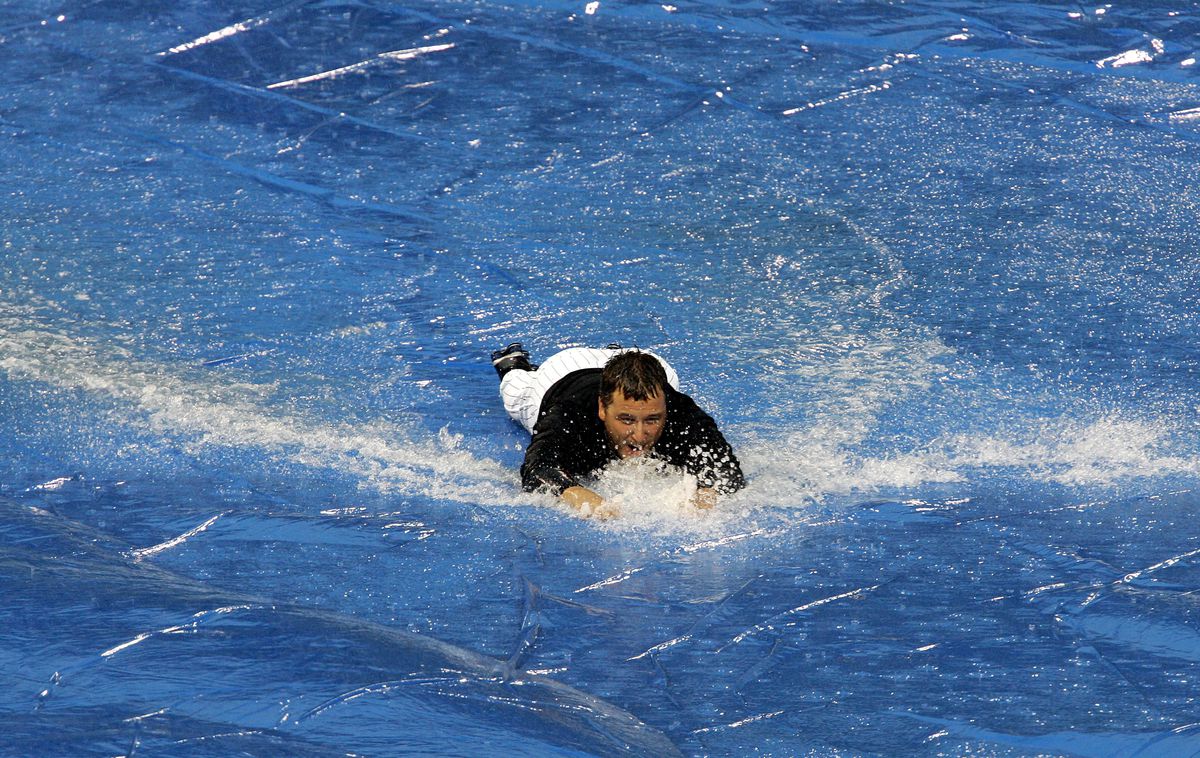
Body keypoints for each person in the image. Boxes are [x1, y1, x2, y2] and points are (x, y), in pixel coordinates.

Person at [492, 343, 745, 519]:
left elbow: (726, 467)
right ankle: (514, 366)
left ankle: (619, 356)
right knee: (515, 393)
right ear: (602, 408)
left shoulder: (681, 412)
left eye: (652, 420)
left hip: (644, 361)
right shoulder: (569, 413)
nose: (638, 434)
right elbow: (536, 468)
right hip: (564, 370)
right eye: (626, 419)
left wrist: (707, 494)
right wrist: (575, 492)